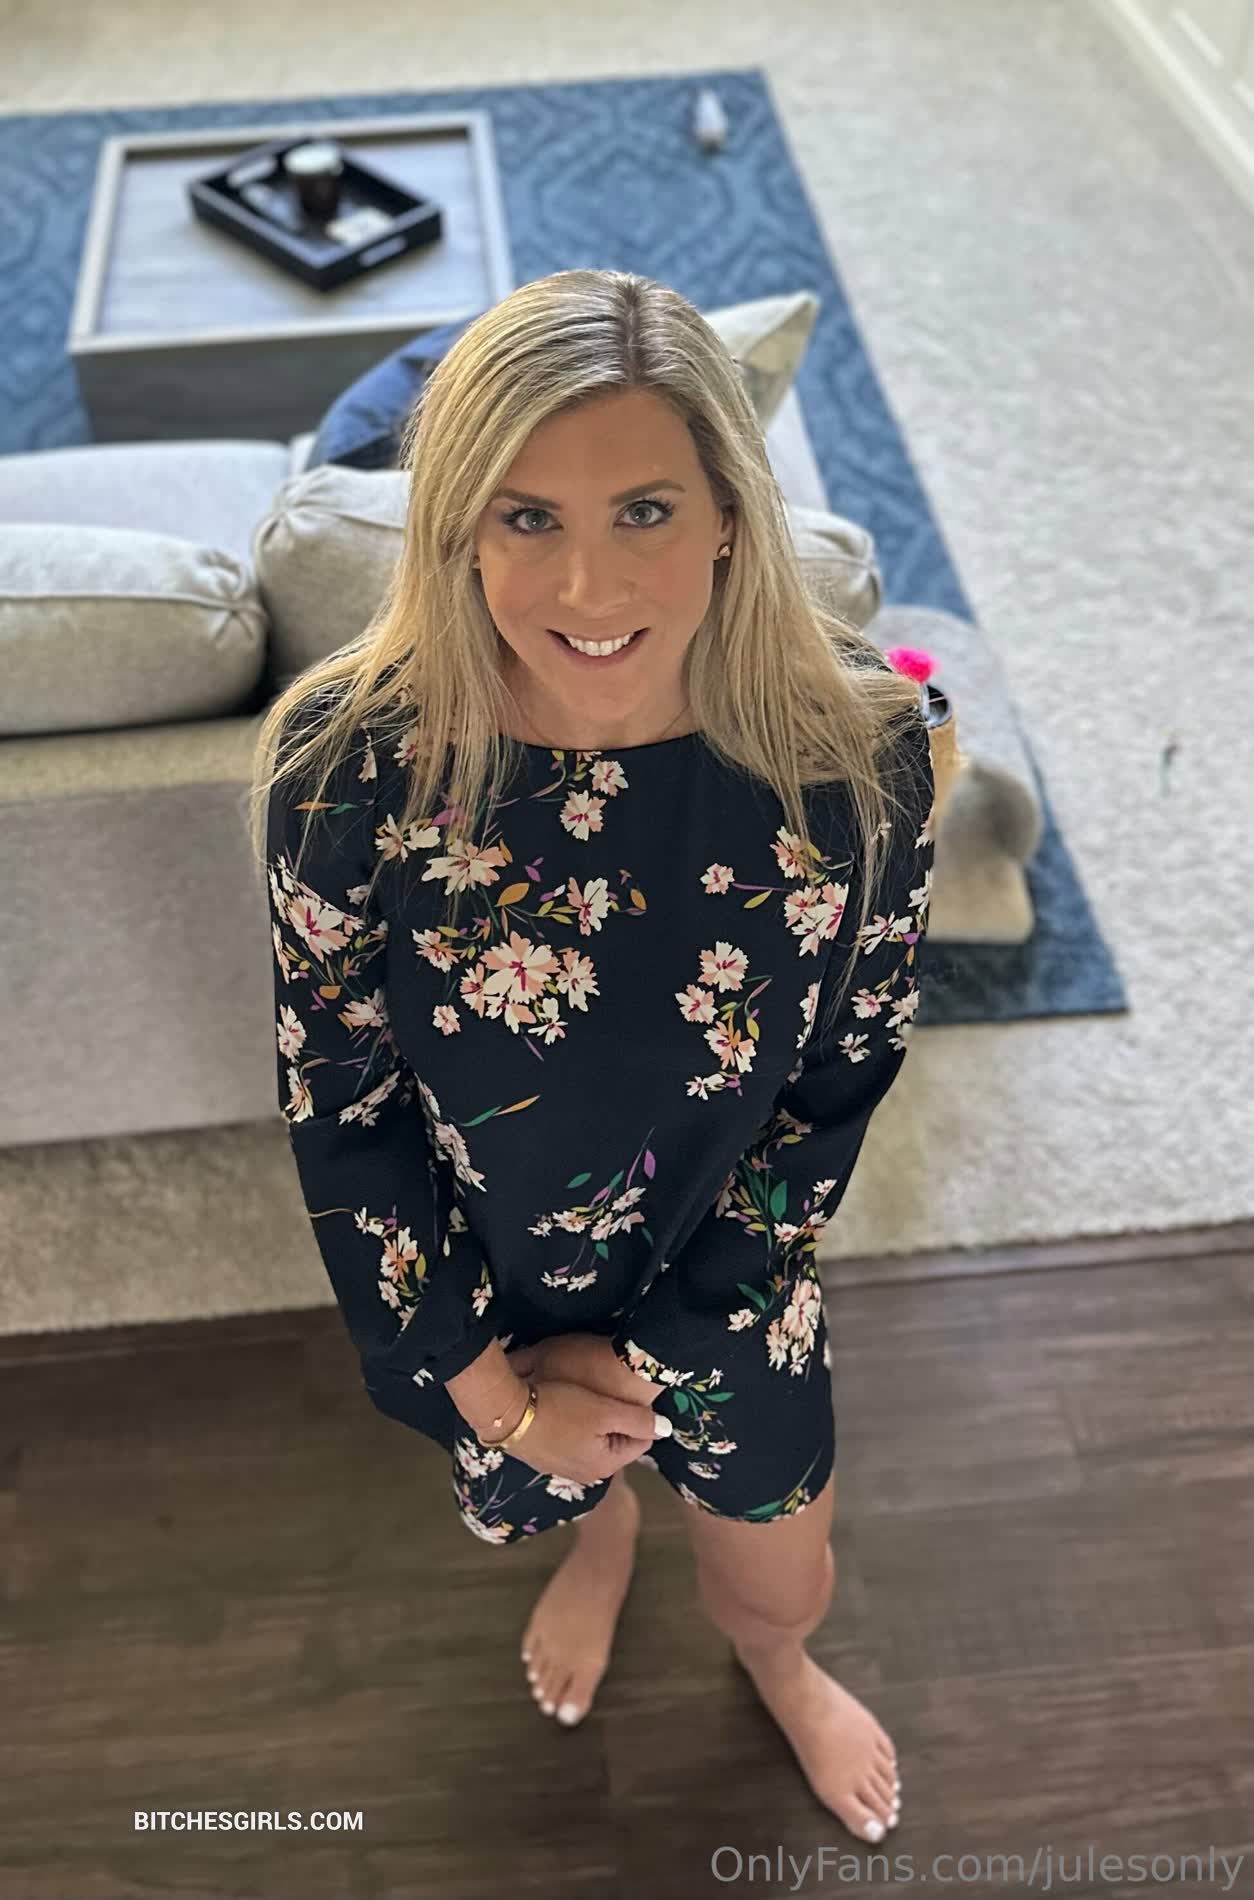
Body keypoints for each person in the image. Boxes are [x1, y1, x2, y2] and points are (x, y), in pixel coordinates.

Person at [250, 268, 933, 1845]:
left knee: (782, 1580)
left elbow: (842, 1072)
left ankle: (774, 1665)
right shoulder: (348, 765)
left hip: (736, 1274)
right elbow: (340, 1108)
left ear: (727, 516)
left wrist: (674, 1340)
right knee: (560, 1502)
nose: (586, 583)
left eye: (642, 510)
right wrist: (501, 1401)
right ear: (457, 530)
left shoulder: (864, 752)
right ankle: (599, 1540)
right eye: (524, 517)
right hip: (486, 1296)